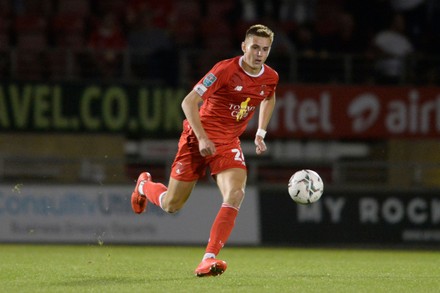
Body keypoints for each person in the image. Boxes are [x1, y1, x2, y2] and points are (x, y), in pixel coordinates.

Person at [131, 24, 279, 277]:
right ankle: (144, 186)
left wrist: (260, 132)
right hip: (196, 138)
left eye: (265, 49)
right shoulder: (224, 70)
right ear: (244, 47)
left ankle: (208, 258)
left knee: (235, 193)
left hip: (228, 143)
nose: (259, 54)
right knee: (171, 205)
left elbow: (268, 96)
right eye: (255, 47)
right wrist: (201, 138)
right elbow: (188, 102)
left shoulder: (270, 77)